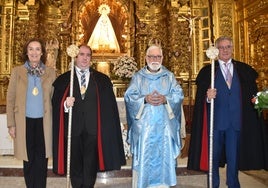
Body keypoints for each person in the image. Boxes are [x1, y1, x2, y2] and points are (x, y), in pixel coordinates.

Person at [187, 36, 268, 188]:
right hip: (216, 123)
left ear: (232, 49)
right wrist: (208, 97)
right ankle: (214, 184)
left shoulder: (243, 70)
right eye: (222, 47)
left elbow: (250, 95)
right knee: (214, 158)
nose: (225, 50)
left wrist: (259, 100)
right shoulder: (208, 71)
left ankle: (233, 184)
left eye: (228, 47)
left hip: (236, 122)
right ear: (216, 50)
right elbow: (201, 101)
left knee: (234, 158)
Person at [52, 44, 126, 188]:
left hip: (93, 129)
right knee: (75, 166)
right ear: (75, 56)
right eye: (81, 54)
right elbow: (56, 105)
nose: (85, 58)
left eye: (88, 55)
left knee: (90, 165)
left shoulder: (102, 80)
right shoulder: (64, 79)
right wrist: (65, 105)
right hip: (73, 130)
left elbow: (108, 109)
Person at [124, 44, 184, 187]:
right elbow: (129, 97)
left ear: (162, 58)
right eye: (152, 56)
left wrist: (166, 99)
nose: (155, 59)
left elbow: (178, 94)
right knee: (146, 156)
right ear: (146, 58)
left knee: (164, 155)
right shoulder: (138, 77)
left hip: (164, 128)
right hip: (145, 128)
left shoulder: (169, 77)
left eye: (158, 56)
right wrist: (144, 99)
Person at [6, 38, 56, 188]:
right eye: (31, 49)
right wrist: (11, 124)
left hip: (43, 122)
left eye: (37, 49)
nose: (34, 52)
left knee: (41, 160)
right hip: (24, 122)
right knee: (28, 160)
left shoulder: (51, 73)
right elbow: (10, 99)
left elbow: (55, 98)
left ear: (42, 53)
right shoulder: (17, 72)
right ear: (26, 53)